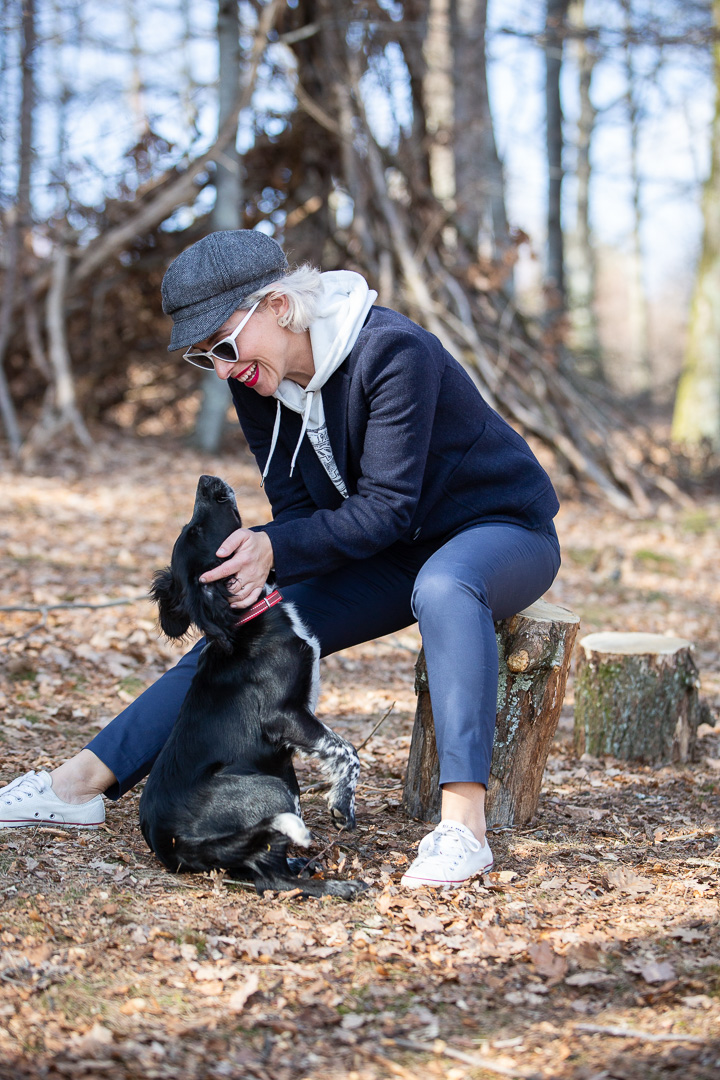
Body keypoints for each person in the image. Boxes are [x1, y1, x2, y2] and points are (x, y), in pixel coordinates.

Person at [0, 230, 561, 888]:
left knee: (444, 586)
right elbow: (298, 514)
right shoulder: (257, 383)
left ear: (279, 306)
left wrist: (274, 547)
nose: (222, 370)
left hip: (501, 531)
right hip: (391, 549)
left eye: (226, 346)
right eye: (205, 357)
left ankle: (463, 827)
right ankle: (78, 785)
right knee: (253, 626)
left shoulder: (393, 352)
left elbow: (387, 507)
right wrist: (257, 568)